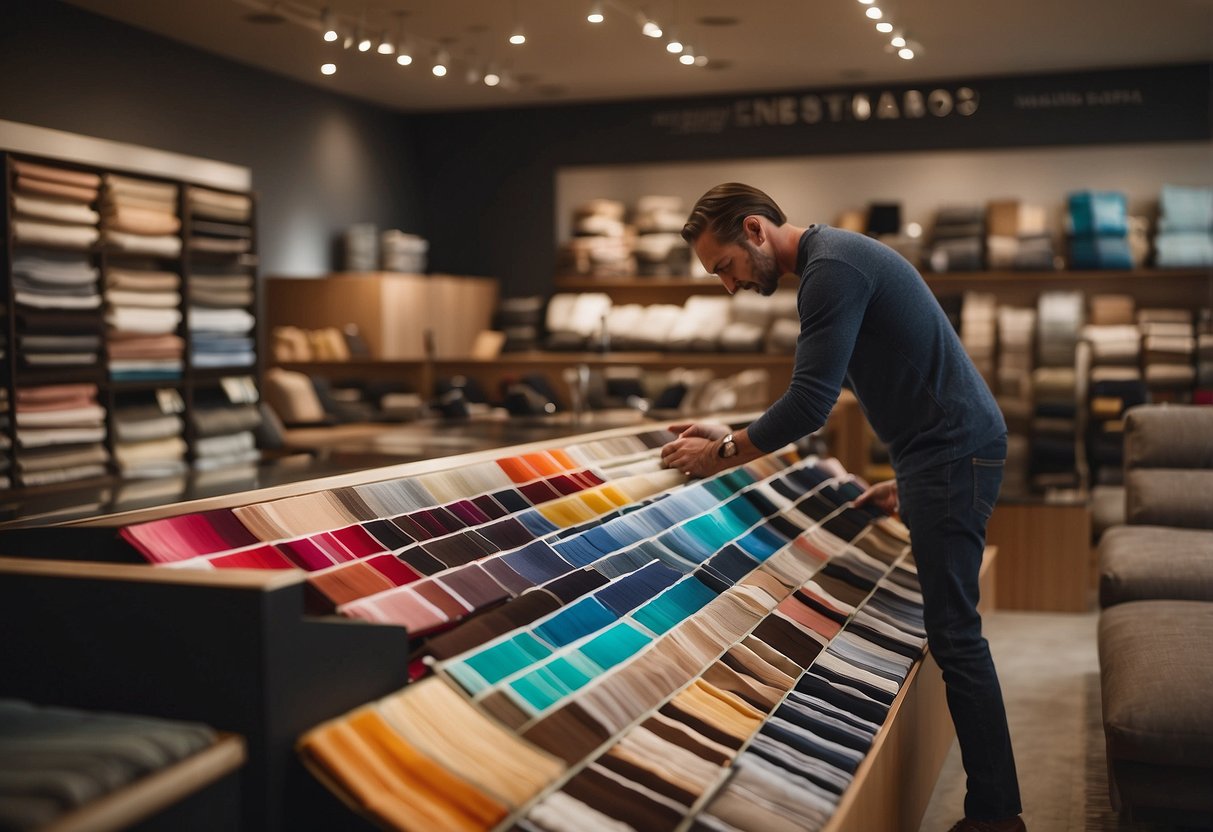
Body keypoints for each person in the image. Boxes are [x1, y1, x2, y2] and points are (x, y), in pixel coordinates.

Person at [660, 183, 1023, 832]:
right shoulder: (836, 261)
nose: (727, 285)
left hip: (950, 454)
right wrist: (911, 483)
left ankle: (996, 819)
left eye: (724, 267)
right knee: (952, 631)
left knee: (955, 636)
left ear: (753, 229)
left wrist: (719, 451)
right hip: (940, 455)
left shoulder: (830, 272)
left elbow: (807, 405)